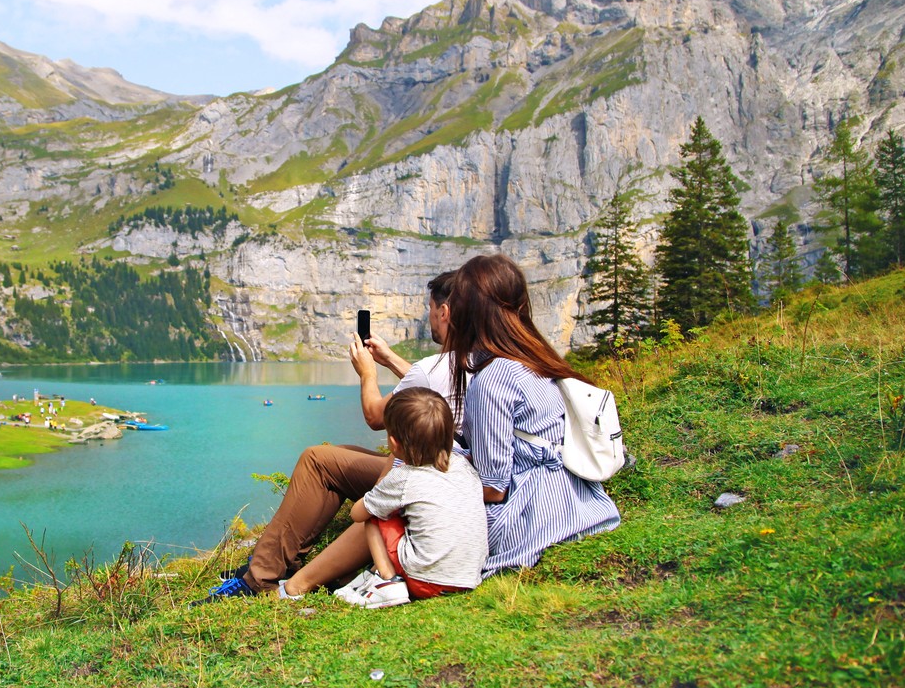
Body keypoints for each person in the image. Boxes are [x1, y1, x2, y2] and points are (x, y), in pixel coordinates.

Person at [199, 271, 466, 601]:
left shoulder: (439, 365)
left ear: (444, 312)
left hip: (427, 476)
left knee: (318, 460)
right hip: (451, 472)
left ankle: (261, 578)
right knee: (341, 453)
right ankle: (280, 561)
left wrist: (368, 372)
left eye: (430, 308)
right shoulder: (472, 359)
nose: (429, 317)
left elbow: (375, 416)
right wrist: (391, 359)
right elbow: (428, 383)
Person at [446, 254, 620, 576]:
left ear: (467, 314)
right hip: (583, 505)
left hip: (531, 520)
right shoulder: (536, 362)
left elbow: (494, 488)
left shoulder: (491, 381)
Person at [278, 387, 487, 607]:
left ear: (394, 443)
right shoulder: (462, 466)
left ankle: (387, 581)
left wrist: (376, 492)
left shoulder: (404, 477)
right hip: (468, 578)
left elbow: (358, 513)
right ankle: (366, 577)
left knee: (374, 516)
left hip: (426, 581)